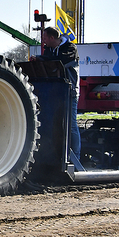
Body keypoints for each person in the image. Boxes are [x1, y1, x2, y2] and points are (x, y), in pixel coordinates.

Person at [31, 26, 81, 156]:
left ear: (52, 37)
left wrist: (42, 59)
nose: (44, 41)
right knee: (52, 123)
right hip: (53, 91)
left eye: (45, 38)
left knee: (71, 125)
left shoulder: (70, 48)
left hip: (69, 91)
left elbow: (59, 62)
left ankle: (75, 156)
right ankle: (54, 155)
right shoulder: (49, 50)